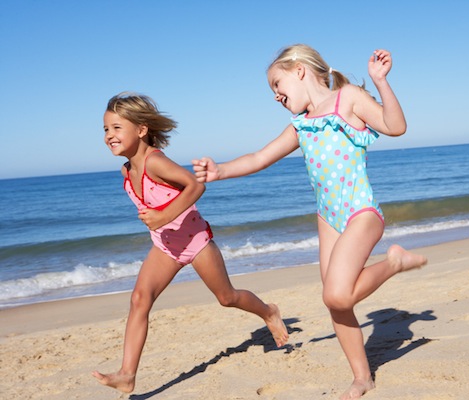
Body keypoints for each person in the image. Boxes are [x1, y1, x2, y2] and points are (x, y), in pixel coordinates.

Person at [192, 44, 427, 399]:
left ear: (299, 70)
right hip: (328, 217)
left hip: (360, 211)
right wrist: (220, 171)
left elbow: (396, 127)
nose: (275, 96)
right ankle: (362, 376)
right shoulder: (300, 124)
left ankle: (394, 261)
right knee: (337, 303)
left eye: (276, 84)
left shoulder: (348, 98)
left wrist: (380, 81)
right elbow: (260, 157)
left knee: (335, 293)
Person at [93, 92, 288, 394]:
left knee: (227, 297)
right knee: (139, 299)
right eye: (106, 129)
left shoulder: (155, 162)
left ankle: (268, 312)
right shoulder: (126, 170)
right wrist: (159, 224)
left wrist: (162, 216)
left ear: (141, 130)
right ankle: (128, 374)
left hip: (195, 241)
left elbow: (195, 185)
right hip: (165, 246)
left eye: (117, 127)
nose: (109, 135)